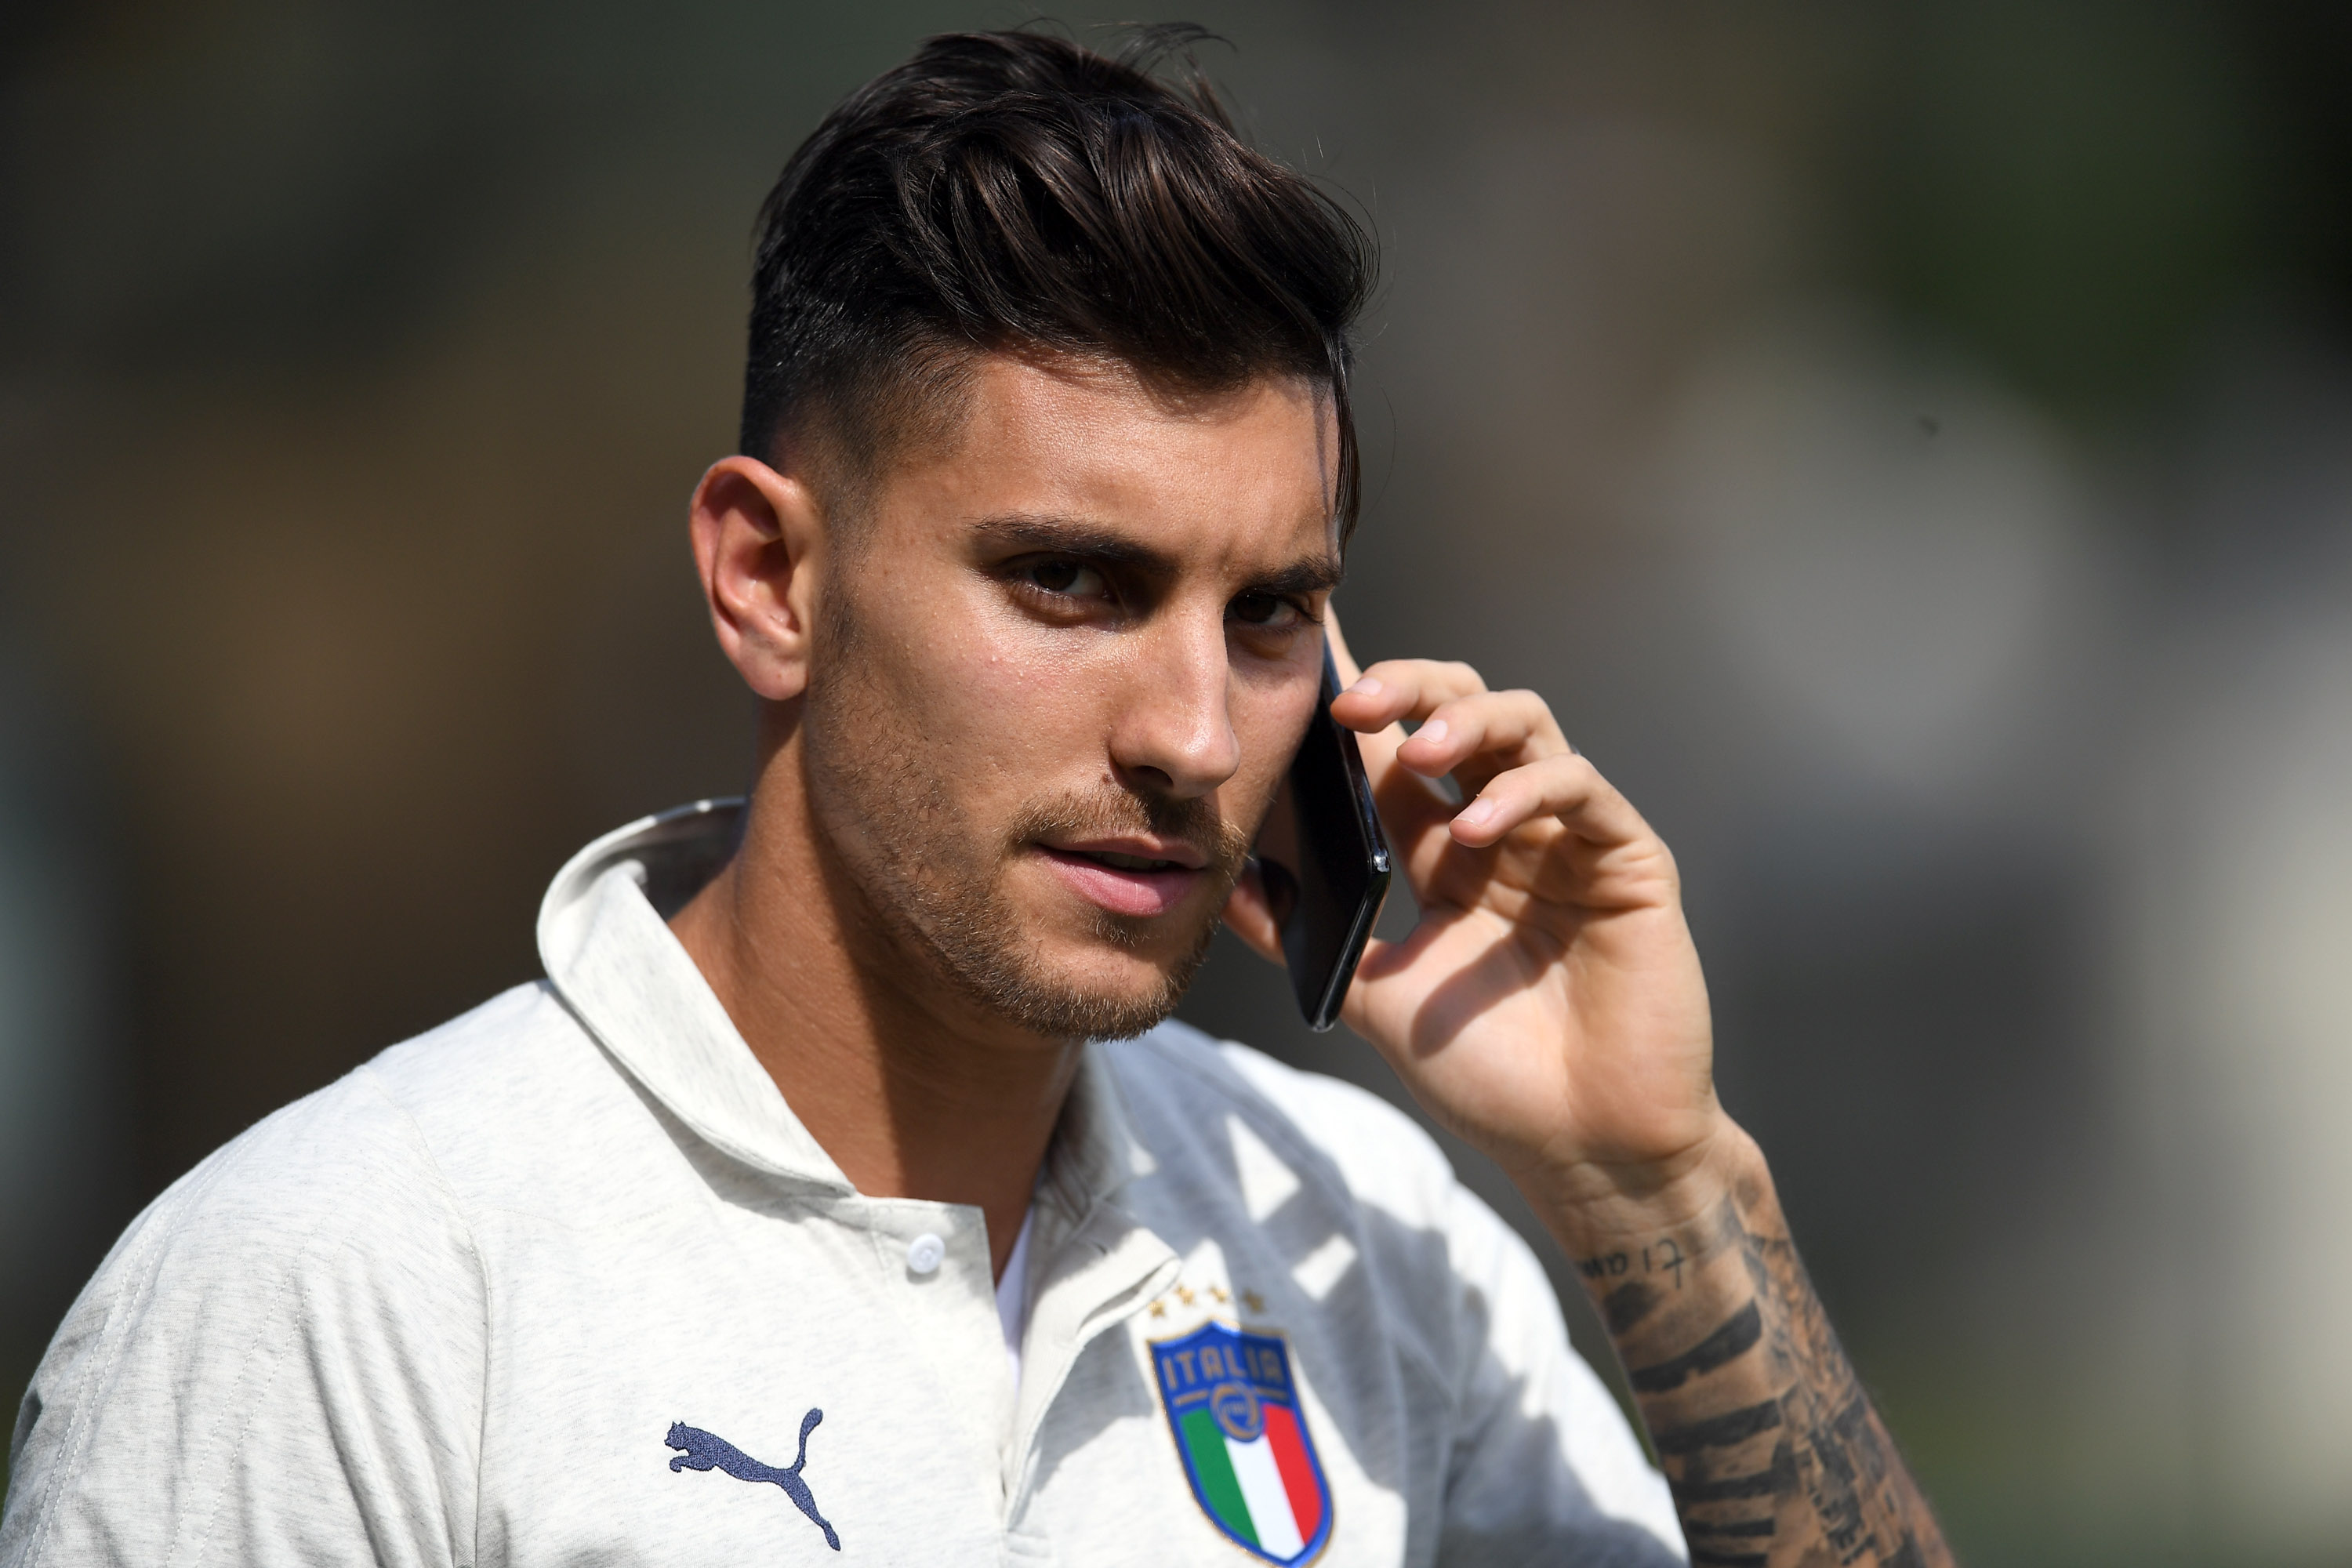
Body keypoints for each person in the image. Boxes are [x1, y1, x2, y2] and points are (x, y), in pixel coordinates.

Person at [2, 27, 1952, 1568]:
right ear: (769, 580)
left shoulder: (1366, 1242)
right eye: (1071, 583)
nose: (1195, 730)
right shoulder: (331, 1286)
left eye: (1270, 611)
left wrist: (1661, 1184)